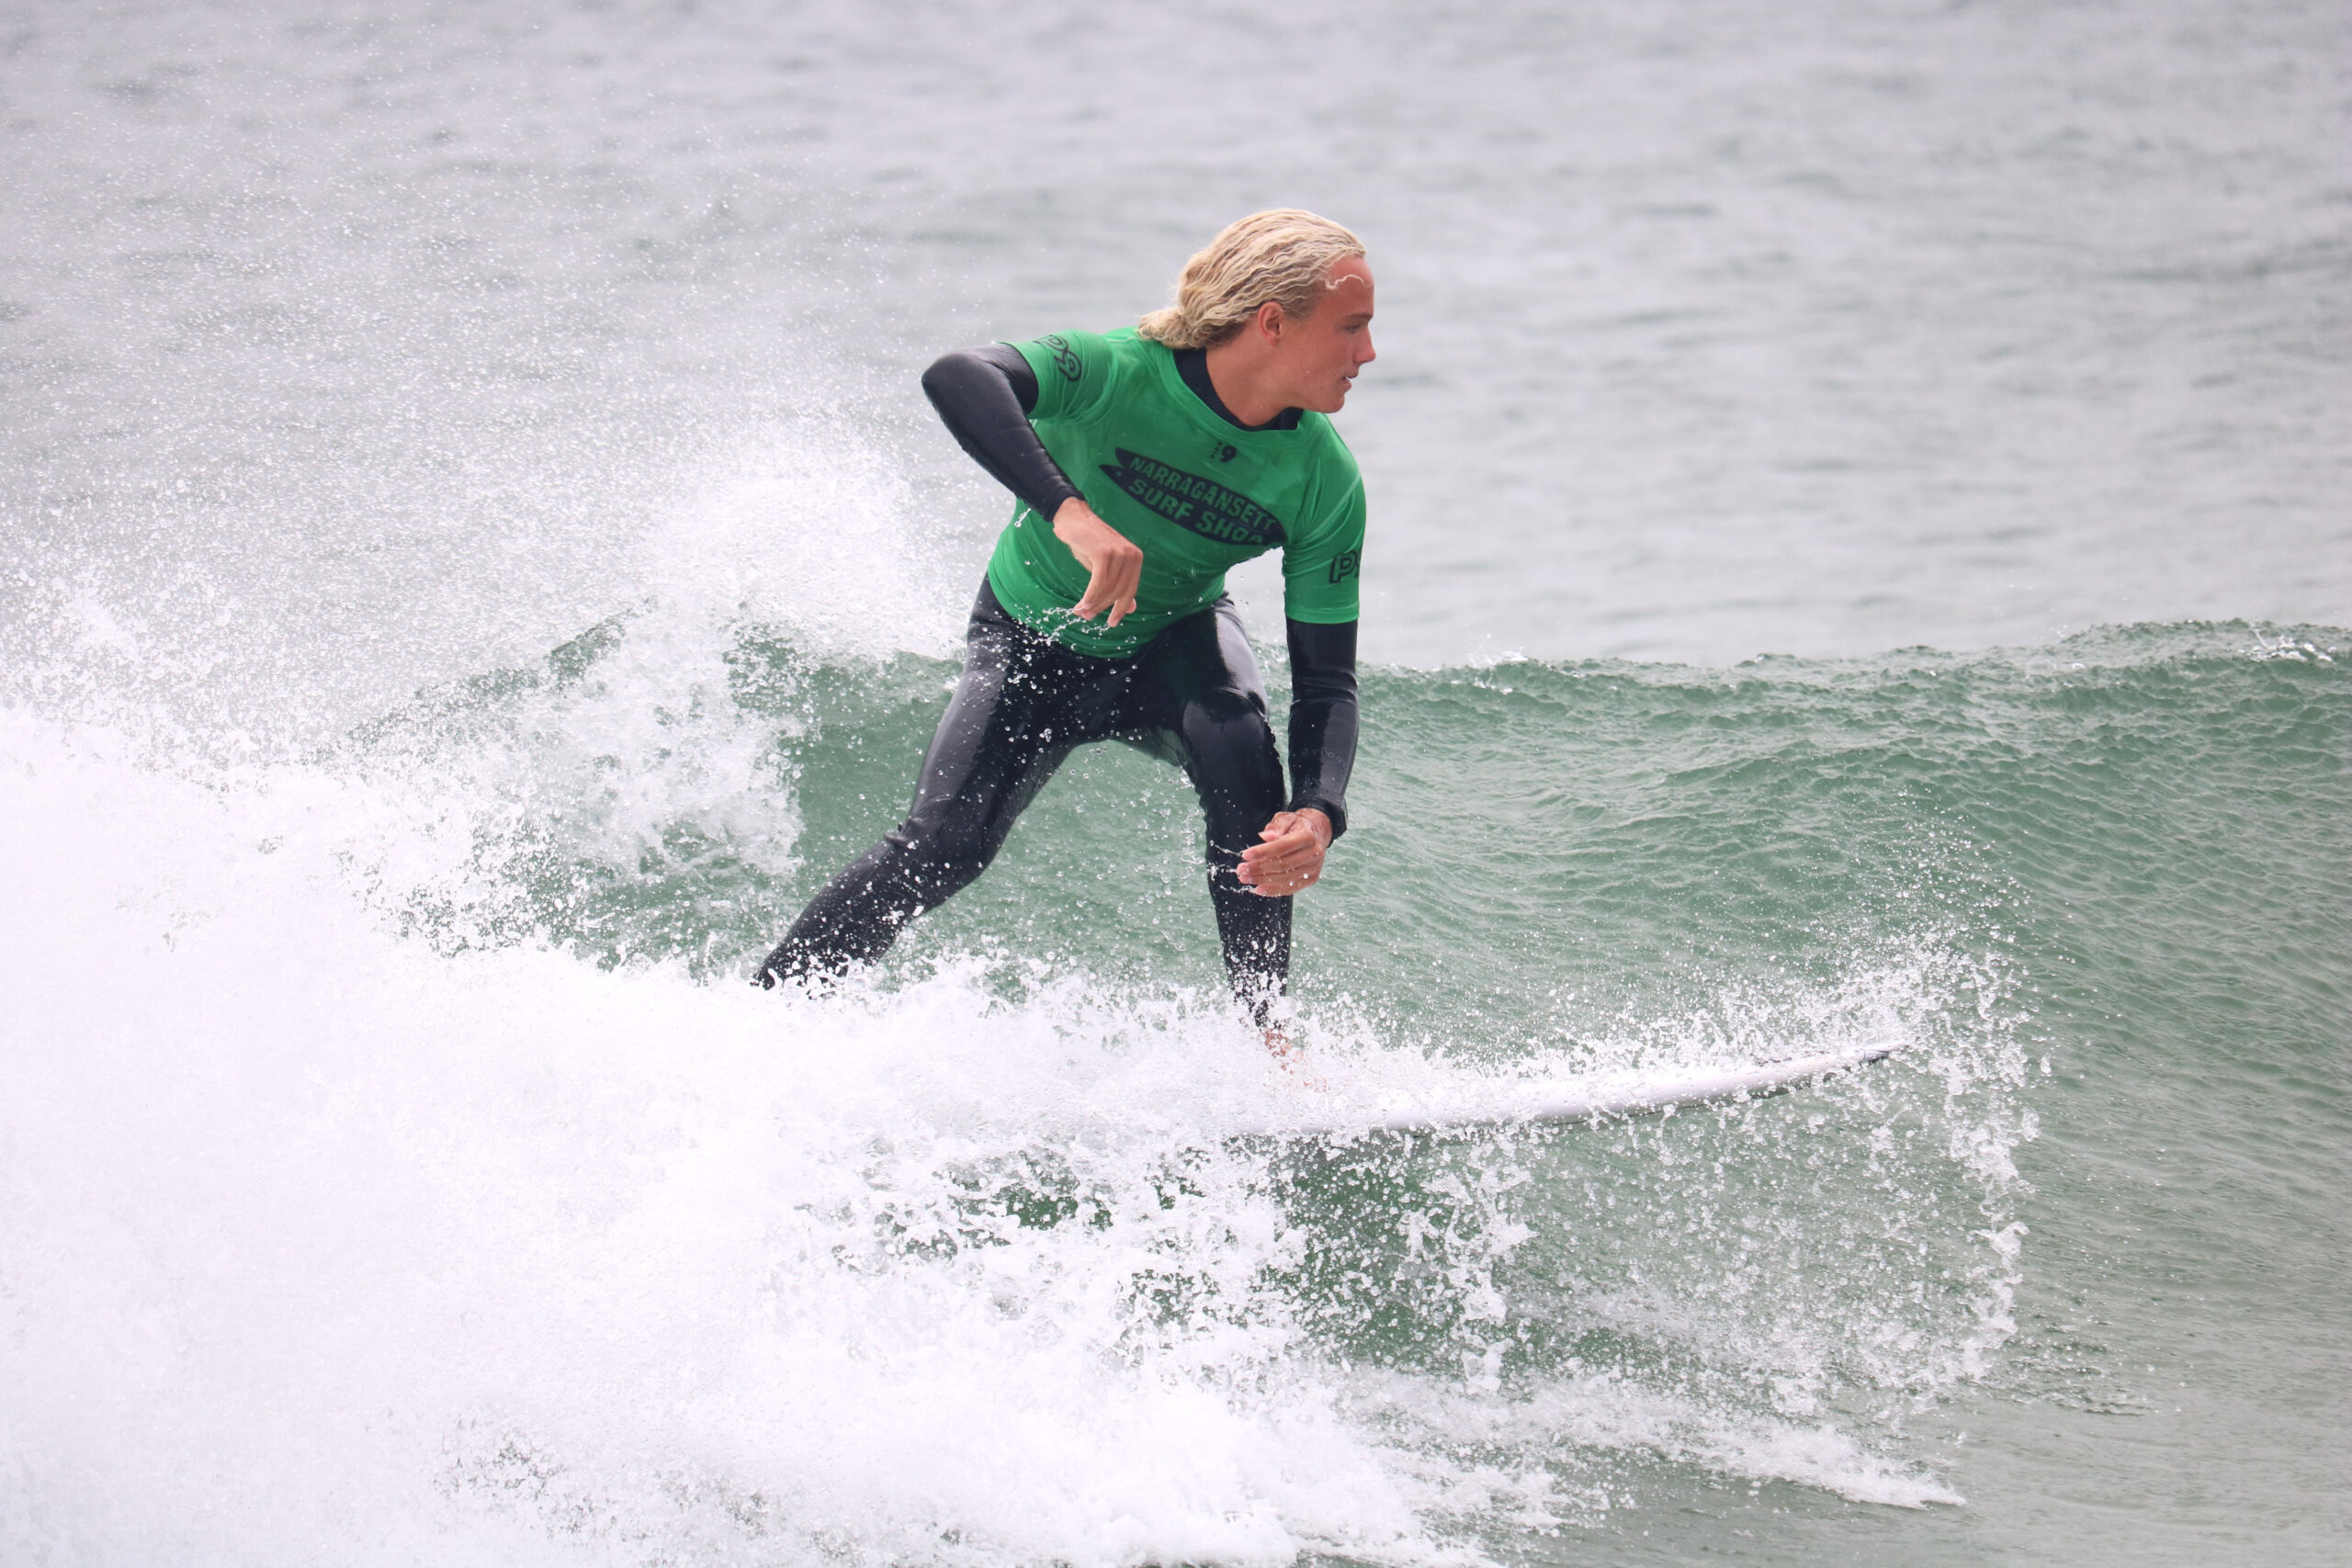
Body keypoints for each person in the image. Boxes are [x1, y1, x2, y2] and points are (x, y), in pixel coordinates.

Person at [755, 209, 1374, 1027]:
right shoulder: (1118, 369)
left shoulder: (1324, 482)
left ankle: (1266, 1039)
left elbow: (1327, 679)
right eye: (1351, 327)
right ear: (1272, 323)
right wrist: (1068, 512)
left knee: (1240, 752)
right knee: (943, 848)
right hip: (1029, 635)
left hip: (1171, 640)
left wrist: (1321, 810)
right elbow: (957, 374)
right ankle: (762, 1018)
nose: (1368, 353)